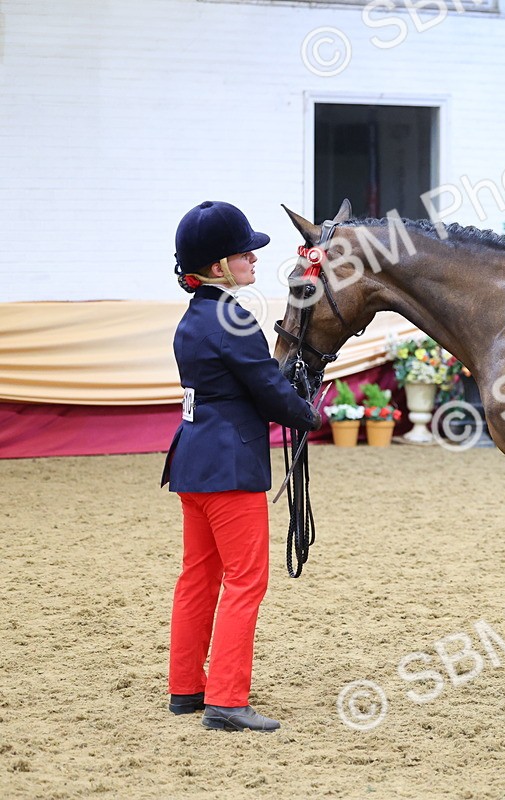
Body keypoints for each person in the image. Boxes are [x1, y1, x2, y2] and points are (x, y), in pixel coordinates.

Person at [162, 201, 320, 732]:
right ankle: (227, 699)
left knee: (198, 578)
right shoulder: (233, 318)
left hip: (192, 462)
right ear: (217, 266)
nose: (252, 257)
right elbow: (269, 390)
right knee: (246, 581)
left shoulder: (193, 319)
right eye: (242, 252)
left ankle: (186, 688)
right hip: (230, 470)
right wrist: (308, 414)